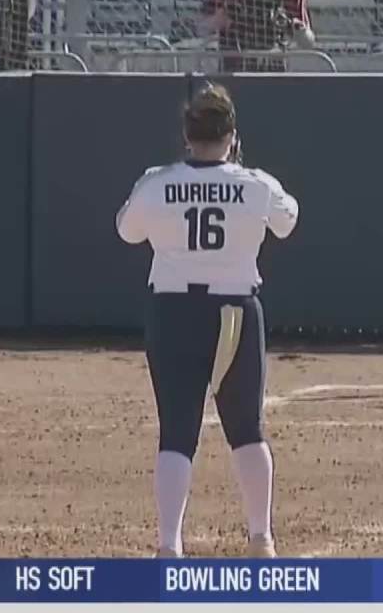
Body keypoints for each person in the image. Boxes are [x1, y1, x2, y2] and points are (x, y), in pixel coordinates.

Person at [116, 83, 300, 557]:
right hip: (237, 310)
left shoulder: (157, 181)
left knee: (177, 430)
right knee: (246, 428)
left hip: (174, 311)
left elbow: (127, 230)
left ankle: (169, 545)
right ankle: (261, 538)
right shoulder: (255, 183)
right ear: (232, 135)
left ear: (186, 133)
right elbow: (287, 220)